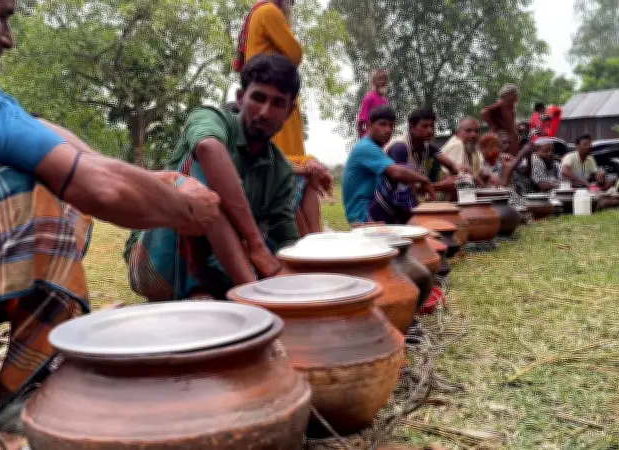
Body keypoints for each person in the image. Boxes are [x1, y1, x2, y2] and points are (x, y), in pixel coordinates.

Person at [0, 1, 221, 448]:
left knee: (54, 187)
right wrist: (186, 210)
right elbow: (94, 185)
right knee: (21, 190)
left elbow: (41, 131)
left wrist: (152, 182)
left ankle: (20, 388)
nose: (7, 39)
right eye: (1, 16)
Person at [128, 54, 302, 303]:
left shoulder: (281, 170)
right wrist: (255, 244)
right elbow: (208, 148)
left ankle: (230, 292)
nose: (264, 111)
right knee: (202, 178)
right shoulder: (210, 118)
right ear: (241, 98)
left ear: (289, 111)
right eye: (258, 97)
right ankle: (252, 298)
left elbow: (287, 238)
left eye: (277, 103)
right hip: (158, 262)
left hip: (221, 272)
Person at [233, 0, 331, 235]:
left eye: (277, 104)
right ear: (241, 98)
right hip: (276, 89)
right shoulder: (269, 11)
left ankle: (315, 243)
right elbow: (295, 53)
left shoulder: (260, 13)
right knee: (290, 170)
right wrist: (307, 167)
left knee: (301, 177)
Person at [342, 106, 441, 225]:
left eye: (391, 125)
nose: (388, 130)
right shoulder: (366, 147)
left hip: (370, 206)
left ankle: (411, 218)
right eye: (382, 124)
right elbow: (397, 173)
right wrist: (424, 180)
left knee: (404, 173)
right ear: (369, 126)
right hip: (362, 215)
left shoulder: (375, 147)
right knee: (400, 174)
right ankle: (415, 219)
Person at [384, 108, 470, 201]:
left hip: (407, 201)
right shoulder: (399, 147)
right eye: (424, 126)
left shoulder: (427, 147)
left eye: (432, 126)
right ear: (411, 127)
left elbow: (451, 165)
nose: (430, 130)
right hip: (389, 202)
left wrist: (461, 176)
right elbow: (401, 189)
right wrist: (439, 186)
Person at [440, 117, 494, 187]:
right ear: (457, 133)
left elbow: (481, 173)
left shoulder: (474, 148)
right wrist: (478, 180)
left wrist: (484, 175)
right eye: (468, 131)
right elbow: (460, 179)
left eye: (476, 131)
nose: (473, 135)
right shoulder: (457, 144)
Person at [481, 84, 520, 155]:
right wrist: (494, 126)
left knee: (513, 159)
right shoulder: (500, 105)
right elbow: (484, 112)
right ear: (510, 94)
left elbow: (512, 123)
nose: (517, 96)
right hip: (503, 138)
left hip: (512, 138)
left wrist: (516, 127)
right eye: (516, 94)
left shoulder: (511, 107)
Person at [357, 69, 390, 137]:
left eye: (385, 79)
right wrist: (362, 138)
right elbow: (361, 121)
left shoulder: (385, 101)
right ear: (374, 81)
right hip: (370, 137)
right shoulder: (369, 97)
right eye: (380, 79)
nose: (383, 81)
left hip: (382, 139)